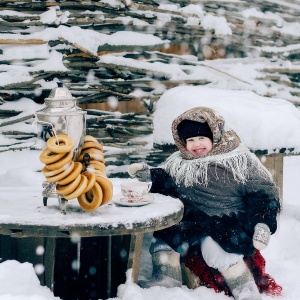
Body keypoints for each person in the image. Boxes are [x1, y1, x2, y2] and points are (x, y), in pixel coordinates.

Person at [128, 107, 281, 300]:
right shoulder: (181, 162)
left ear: (214, 136)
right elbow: (169, 180)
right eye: (190, 140)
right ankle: (167, 276)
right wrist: (150, 175)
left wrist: (263, 222)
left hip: (227, 220)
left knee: (217, 249)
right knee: (166, 235)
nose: (196, 144)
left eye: (201, 138)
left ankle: (244, 287)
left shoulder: (239, 161)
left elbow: (262, 194)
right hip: (193, 218)